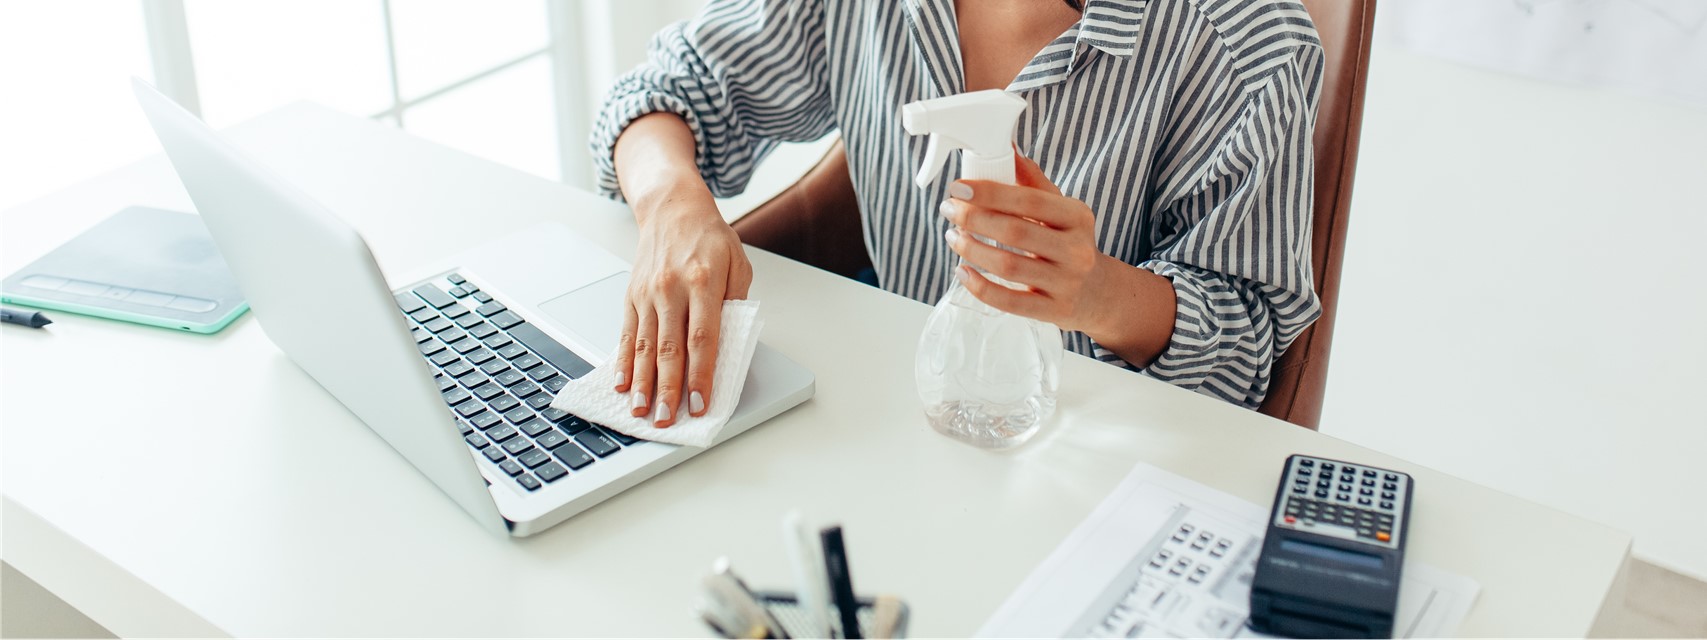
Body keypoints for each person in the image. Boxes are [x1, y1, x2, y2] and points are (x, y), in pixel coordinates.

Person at [591, 0, 1324, 427]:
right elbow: (667, 89)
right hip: (872, 423)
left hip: (1084, 459)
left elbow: (1246, 349)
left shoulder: (1245, 43)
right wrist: (672, 204)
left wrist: (1093, 291)